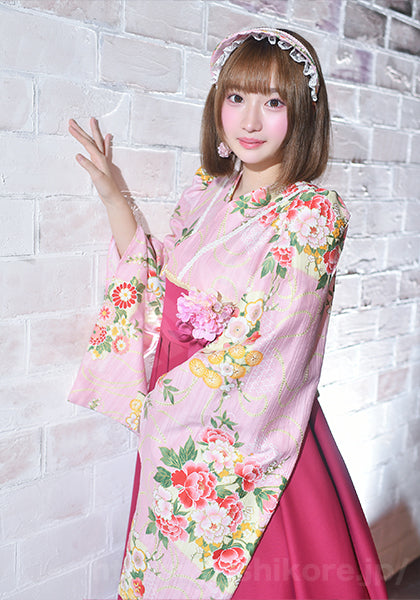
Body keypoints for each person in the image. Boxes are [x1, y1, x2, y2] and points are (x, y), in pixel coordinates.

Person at [68, 28, 387, 600]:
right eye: (237, 97)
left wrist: (168, 403)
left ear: (302, 114)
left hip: (247, 428)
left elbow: (271, 338)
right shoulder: (207, 193)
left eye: (274, 102)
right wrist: (114, 195)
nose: (250, 121)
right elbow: (157, 279)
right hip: (180, 415)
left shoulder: (312, 211)